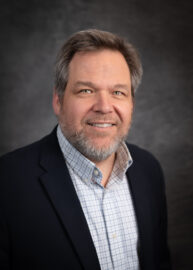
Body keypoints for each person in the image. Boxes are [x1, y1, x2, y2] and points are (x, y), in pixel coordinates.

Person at [0, 29, 171, 270]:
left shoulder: (148, 170)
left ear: (131, 103)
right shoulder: (7, 181)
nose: (104, 107)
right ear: (58, 100)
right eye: (86, 91)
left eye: (118, 92)